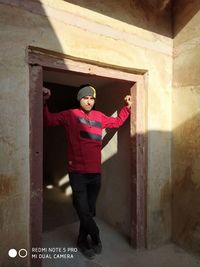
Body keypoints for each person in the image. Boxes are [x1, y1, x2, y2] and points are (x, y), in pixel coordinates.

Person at [43, 84, 132, 260]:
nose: (89, 101)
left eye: (92, 98)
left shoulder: (99, 116)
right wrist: (44, 102)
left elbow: (116, 122)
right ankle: (96, 234)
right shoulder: (70, 115)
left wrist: (127, 108)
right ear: (79, 99)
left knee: (89, 210)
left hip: (95, 174)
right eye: (85, 98)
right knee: (82, 209)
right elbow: (48, 120)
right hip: (77, 173)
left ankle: (82, 240)